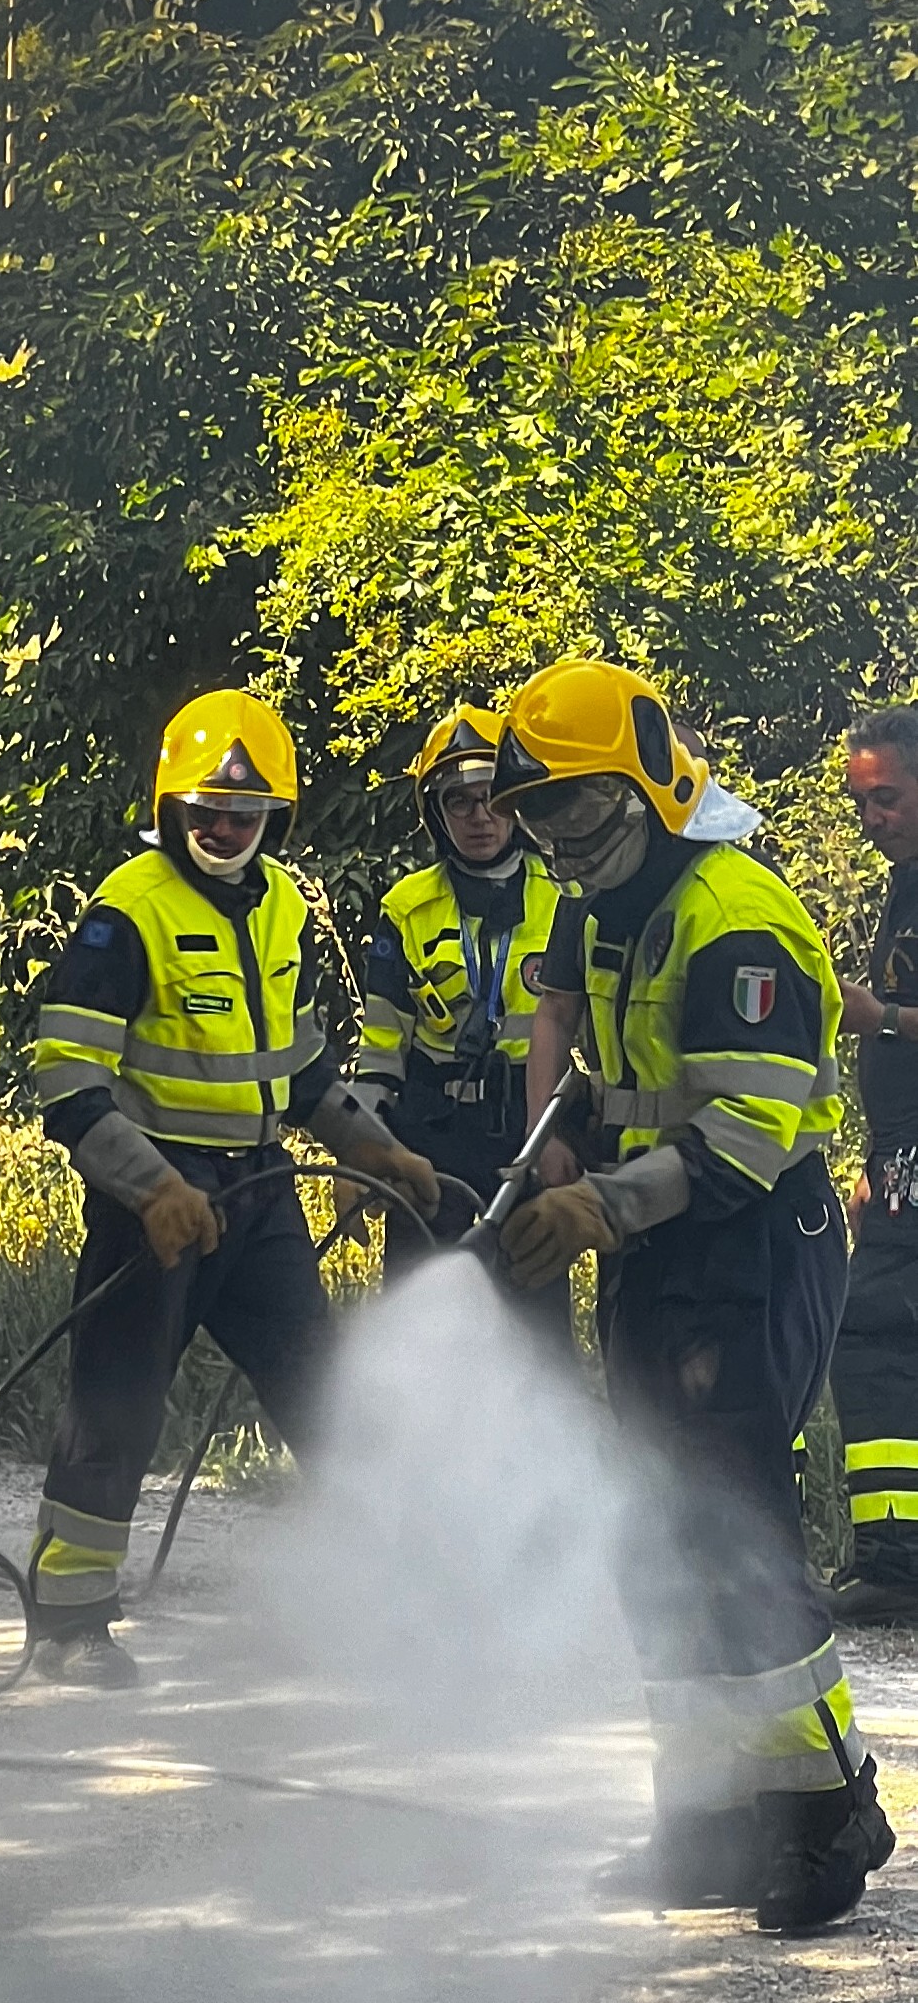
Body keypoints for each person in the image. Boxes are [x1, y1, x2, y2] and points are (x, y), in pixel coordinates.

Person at [493, 657, 893, 1933]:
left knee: (732, 1520)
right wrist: (560, 1151)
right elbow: (607, 1069)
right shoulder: (612, 904)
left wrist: (600, 1207)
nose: (561, 840)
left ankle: (827, 1814)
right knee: (658, 1527)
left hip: (751, 1237)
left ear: (650, 786)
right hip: (659, 1240)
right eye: (542, 816)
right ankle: (710, 1821)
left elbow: (748, 1136)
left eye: (578, 808)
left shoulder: (737, 918)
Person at [24, 690, 444, 1685]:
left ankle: (389, 1609)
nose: (223, 828)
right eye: (206, 811)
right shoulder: (126, 912)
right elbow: (67, 1081)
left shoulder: (284, 905)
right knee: (118, 1404)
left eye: (244, 814)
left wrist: (372, 1146)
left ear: (274, 819)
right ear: (170, 807)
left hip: (259, 1190)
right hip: (156, 1204)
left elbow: (298, 1069)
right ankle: (68, 1623)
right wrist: (151, 1187)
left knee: (321, 1389)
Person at [353, 705, 567, 1341]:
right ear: (436, 812)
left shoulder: (565, 896)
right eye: (459, 801)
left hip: (528, 1133)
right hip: (432, 1140)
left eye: (493, 798)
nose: (480, 817)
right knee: (420, 1330)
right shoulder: (406, 908)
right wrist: (363, 1150)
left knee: (537, 1333)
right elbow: (381, 1051)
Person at [829, 704, 918, 1620]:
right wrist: (876, 1156)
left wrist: (879, 1015)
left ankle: (896, 1562)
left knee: (871, 1332)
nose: (870, 817)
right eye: (860, 801)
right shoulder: (905, 881)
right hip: (900, 1157)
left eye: (885, 796)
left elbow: (895, 1018)